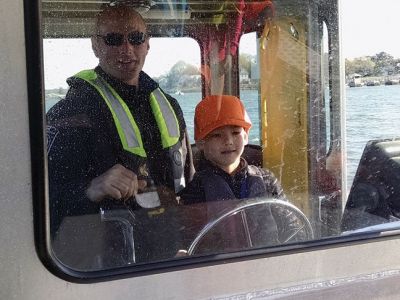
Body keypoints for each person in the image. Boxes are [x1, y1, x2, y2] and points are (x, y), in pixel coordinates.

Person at [46, 4, 194, 236]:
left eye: (136, 38)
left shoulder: (171, 107)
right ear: (95, 46)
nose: (126, 49)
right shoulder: (69, 114)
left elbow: (188, 181)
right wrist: (91, 189)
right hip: (106, 259)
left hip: (171, 249)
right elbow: (39, 202)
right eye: (113, 39)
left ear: (147, 43)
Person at [178, 95, 306, 252]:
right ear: (201, 143)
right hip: (220, 271)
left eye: (235, 133)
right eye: (217, 135)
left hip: (269, 267)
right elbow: (188, 241)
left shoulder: (266, 180)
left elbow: (293, 228)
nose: (228, 141)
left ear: (245, 137)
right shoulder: (195, 190)